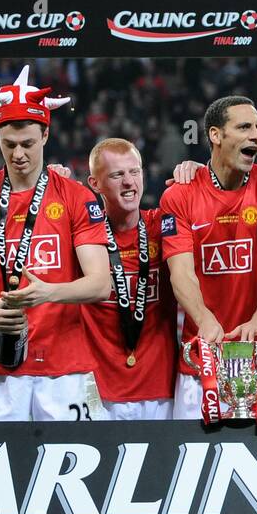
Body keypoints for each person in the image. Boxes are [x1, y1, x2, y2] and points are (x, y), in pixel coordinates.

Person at [0, 66, 110, 421]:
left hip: (67, 367)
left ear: (46, 136)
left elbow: (100, 283)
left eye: (28, 144)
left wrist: (48, 293)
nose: (18, 153)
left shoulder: (76, 197)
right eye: (9, 145)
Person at [160, 95, 257, 420]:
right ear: (215, 135)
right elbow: (181, 273)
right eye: (244, 127)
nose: (256, 136)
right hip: (203, 359)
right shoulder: (179, 194)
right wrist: (205, 320)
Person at [83, 137, 178, 419]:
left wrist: (200, 171)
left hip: (159, 389)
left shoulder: (163, 226)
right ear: (94, 183)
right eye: (117, 174)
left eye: (134, 172)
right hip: (97, 391)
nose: (128, 182)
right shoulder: (83, 236)